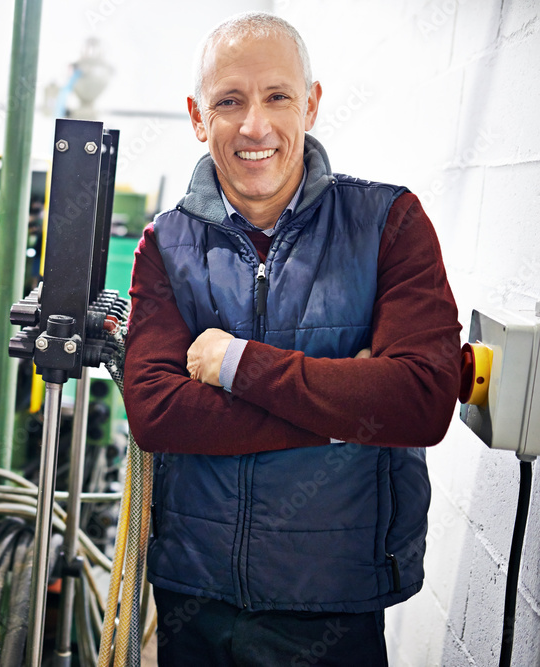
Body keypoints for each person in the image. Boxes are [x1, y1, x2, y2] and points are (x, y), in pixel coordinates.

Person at [123, 11, 461, 666]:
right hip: (194, 599)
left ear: (310, 103)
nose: (255, 125)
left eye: (277, 96)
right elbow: (155, 411)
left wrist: (235, 362)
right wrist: (344, 411)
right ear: (198, 116)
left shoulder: (389, 223)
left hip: (332, 603)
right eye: (229, 101)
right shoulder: (166, 243)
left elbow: (421, 401)